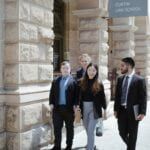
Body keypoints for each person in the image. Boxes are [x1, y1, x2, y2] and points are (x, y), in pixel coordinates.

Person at [114, 57, 147, 150]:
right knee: (121, 132)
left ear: (129, 66)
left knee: (133, 134)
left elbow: (143, 97)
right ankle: (131, 147)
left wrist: (142, 112)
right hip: (121, 111)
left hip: (134, 111)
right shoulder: (120, 79)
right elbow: (117, 96)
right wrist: (115, 109)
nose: (121, 67)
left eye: (122, 65)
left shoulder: (139, 80)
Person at [77, 63, 107, 150]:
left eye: (93, 70)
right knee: (86, 128)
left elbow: (103, 97)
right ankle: (92, 144)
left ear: (96, 72)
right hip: (84, 108)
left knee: (90, 130)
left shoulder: (99, 83)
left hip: (94, 109)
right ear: (86, 71)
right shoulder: (81, 82)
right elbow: (76, 95)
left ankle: (90, 148)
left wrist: (104, 109)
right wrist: (76, 105)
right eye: (89, 70)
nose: (91, 72)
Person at [49, 61, 77, 150]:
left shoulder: (74, 82)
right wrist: (51, 104)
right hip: (57, 109)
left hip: (69, 109)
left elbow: (77, 95)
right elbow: (52, 94)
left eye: (67, 68)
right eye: (63, 68)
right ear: (60, 70)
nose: (65, 70)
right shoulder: (55, 81)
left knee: (69, 128)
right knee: (57, 128)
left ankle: (69, 145)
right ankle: (57, 146)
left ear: (70, 69)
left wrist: (76, 105)